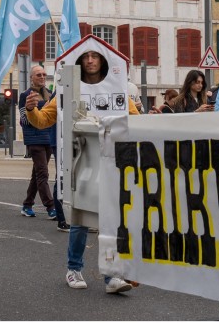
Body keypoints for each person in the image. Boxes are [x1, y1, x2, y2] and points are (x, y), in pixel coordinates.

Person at [25, 50, 139, 294]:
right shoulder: (68, 89)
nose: (89, 61)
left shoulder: (116, 88)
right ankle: (73, 268)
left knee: (112, 221)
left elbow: (136, 120)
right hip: (81, 162)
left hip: (113, 162)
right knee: (80, 219)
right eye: (85, 57)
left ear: (102, 61)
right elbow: (44, 119)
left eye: (94, 57)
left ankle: (111, 276)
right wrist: (32, 110)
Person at [17, 66, 56, 220]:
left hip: (48, 138)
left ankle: (27, 205)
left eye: (44, 74)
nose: (42, 77)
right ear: (31, 78)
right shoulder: (25, 95)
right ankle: (51, 207)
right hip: (34, 139)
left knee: (37, 174)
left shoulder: (50, 94)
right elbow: (23, 120)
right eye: (38, 75)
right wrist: (36, 111)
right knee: (43, 174)